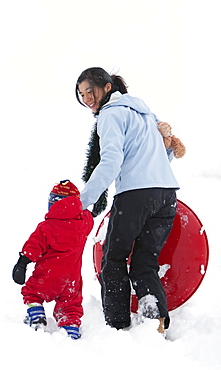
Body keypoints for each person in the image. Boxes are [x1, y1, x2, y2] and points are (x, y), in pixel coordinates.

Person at [75, 67, 180, 335]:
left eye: (90, 91)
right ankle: (154, 322)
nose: (87, 98)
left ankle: (117, 327)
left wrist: (82, 201)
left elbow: (110, 162)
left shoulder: (111, 114)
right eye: (81, 94)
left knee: (113, 260)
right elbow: (162, 156)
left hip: (134, 195)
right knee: (145, 263)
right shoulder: (145, 113)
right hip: (166, 195)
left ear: (107, 87)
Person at [12, 180, 94, 339]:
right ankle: (71, 329)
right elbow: (89, 216)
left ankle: (37, 317)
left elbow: (33, 246)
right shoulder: (82, 224)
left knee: (33, 293)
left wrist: (22, 263)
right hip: (72, 280)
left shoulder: (46, 227)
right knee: (70, 306)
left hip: (47, 275)